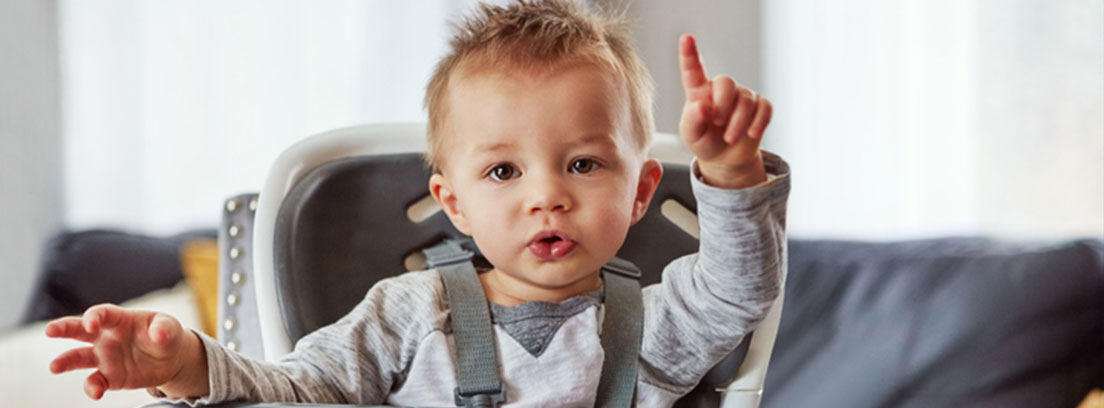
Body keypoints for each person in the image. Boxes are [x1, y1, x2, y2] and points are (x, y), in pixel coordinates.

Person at [45, 0, 790, 405]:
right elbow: (301, 392)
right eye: (504, 172)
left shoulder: (654, 328)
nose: (547, 196)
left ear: (641, 191)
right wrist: (188, 367)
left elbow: (740, 288)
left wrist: (730, 173)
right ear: (452, 203)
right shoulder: (409, 315)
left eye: (584, 164)